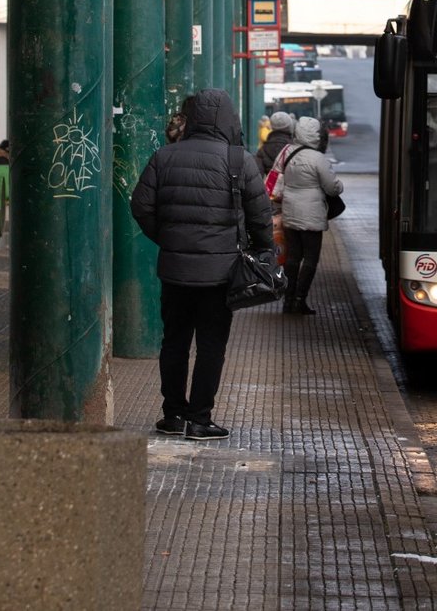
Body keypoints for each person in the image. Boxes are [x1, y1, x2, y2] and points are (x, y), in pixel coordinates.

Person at [130, 87, 273, 440]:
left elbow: (141, 206)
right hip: (220, 276)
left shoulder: (164, 157)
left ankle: (173, 415)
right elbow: (260, 216)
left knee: (174, 342)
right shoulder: (239, 161)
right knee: (211, 345)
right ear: (229, 118)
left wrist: (169, 239)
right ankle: (200, 419)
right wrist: (265, 251)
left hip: (175, 272)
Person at [274, 115, 344, 316]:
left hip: (290, 212)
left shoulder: (288, 153)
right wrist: (340, 186)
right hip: (312, 216)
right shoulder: (318, 159)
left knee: (293, 258)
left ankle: (287, 301)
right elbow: (332, 188)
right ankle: (299, 300)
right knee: (311, 259)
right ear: (316, 136)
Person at [256, 111, 295, 176]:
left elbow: (258, 175)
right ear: (289, 126)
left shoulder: (263, 150)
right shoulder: (295, 148)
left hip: (272, 185)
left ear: (272, 126)